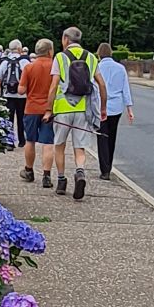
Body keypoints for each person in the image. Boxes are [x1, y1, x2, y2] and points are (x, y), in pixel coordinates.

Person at [45, 27, 107, 201]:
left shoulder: (60, 57)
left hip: (63, 109)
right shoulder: (91, 57)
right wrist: (102, 109)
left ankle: (61, 181)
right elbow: (101, 84)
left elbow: (54, 85)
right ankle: (80, 172)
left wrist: (48, 109)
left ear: (66, 39)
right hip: (83, 109)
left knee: (60, 146)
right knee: (79, 147)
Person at [19, 38, 56, 186]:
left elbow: (21, 90)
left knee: (30, 140)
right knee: (48, 143)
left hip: (32, 108)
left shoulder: (29, 67)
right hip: (49, 109)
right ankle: (46, 176)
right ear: (49, 51)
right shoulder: (55, 67)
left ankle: (29, 171)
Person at [95, 43, 134, 179]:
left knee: (102, 137)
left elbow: (94, 89)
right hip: (117, 107)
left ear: (99, 54)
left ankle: (104, 169)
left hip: (101, 106)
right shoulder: (120, 68)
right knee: (112, 137)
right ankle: (109, 166)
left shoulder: (97, 67)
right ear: (111, 53)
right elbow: (125, 89)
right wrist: (129, 108)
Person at [0, 39, 30, 149]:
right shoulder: (25, 62)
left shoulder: (4, 61)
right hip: (22, 95)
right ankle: (22, 140)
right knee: (21, 118)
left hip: (7, 95)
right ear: (20, 49)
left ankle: (10, 142)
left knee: (9, 119)